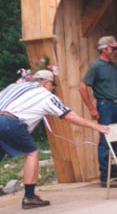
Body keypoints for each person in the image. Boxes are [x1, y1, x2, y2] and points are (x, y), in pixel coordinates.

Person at [0, 70, 109, 209]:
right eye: (53, 85)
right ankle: (29, 197)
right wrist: (94, 126)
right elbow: (68, 116)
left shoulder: (14, 87)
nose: (53, 89)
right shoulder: (46, 95)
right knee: (32, 153)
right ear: (46, 83)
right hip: (10, 122)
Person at [79, 36, 117, 188]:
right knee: (105, 141)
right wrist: (92, 108)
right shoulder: (95, 67)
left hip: (116, 105)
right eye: (113, 49)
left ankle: (116, 175)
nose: (115, 51)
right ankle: (105, 177)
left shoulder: (114, 67)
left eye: (115, 48)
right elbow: (82, 87)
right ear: (104, 49)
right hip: (104, 106)